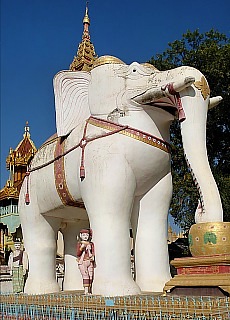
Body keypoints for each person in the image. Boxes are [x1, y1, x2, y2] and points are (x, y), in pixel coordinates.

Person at [76, 228, 95, 294]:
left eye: (86, 235)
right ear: (81, 236)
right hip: (82, 261)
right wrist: (82, 248)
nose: (85, 236)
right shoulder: (80, 244)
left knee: (91, 276)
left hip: (89, 261)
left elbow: (93, 252)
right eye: (83, 235)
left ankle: (89, 290)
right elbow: (78, 253)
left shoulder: (91, 244)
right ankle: (86, 290)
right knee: (85, 275)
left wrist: (92, 256)